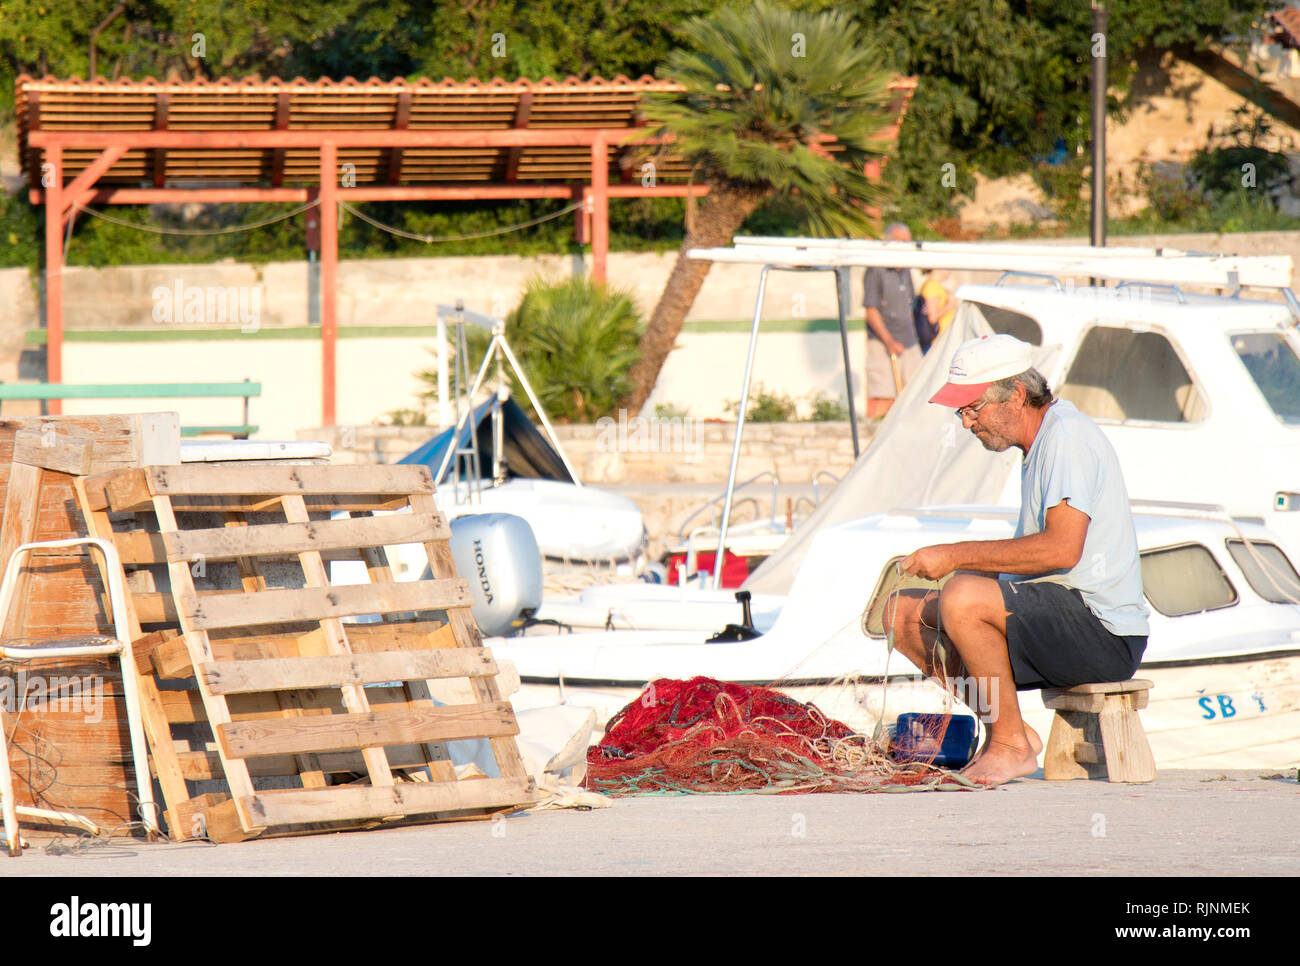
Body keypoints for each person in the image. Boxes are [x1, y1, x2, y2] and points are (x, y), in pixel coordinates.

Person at [884, 334, 1150, 786]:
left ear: (1017, 396)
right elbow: (1033, 560)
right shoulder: (1040, 443)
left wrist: (953, 557)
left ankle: (1010, 745)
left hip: (1104, 634)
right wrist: (960, 568)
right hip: (1061, 617)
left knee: (963, 595)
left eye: (973, 408)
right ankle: (1010, 733)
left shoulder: (1066, 438)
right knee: (901, 615)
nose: (966, 423)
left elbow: (1060, 550)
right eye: (961, 411)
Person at [862, 222, 922, 418]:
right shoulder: (876, 270)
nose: (907, 245)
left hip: (909, 341)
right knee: (885, 398)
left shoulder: (905, 271)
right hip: (884, 342)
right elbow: (871, 310)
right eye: (902, 241)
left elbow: (910, 306)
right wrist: (888, 340)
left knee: (916, 393)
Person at [917, 269, 955, 352]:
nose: (950, 271)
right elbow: (933, 318)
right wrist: (949, 305)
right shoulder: (932, 286)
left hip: (942, 341)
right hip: (936, 342)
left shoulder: (936, 285)